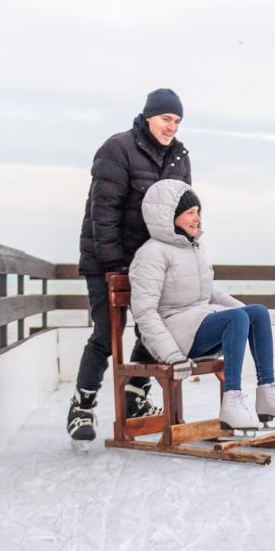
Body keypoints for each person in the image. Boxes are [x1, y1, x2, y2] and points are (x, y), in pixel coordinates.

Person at [127, 180, 275, 433]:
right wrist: (172, 355)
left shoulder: (193, 248)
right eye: (190, 212)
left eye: (198, 212)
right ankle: (232, 400)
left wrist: (246, 315)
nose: (197, 218)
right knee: (236, 319)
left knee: (258, 312)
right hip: (176, 336)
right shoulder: (152, 253)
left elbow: (209, 293)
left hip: (197, 322)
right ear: (170, 215)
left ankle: (267, 394)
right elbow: (144, 312)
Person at [68, 88, 192, 448]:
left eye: (177, 121)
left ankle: (135, 395)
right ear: (149, 116)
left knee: (155, 328)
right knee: (108, 333)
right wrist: (112, 267)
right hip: (108, 259)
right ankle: (83, 406)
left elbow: (183, 210)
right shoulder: (117, 149)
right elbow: (102, 211)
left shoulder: (179, 157)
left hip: (152, 261)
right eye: (166, 118)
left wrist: (182, 254)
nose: (172, 127)